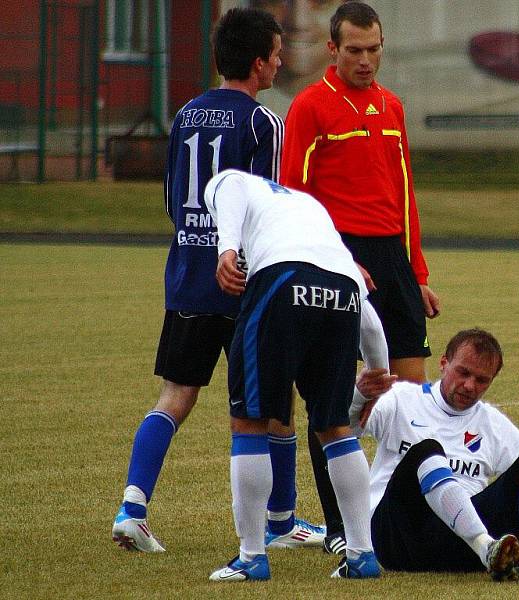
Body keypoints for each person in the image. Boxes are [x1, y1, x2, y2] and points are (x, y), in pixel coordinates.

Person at [112, 7, 323, 553]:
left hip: (187, 279)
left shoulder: (185, 114)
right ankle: (280, 521)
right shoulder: (261, 123)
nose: (280, 62)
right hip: (243, 285)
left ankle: (132, 507)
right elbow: (265, 208)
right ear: (258, 63)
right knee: (274, 401)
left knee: (175, 396)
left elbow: (171, 203)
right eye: (276, 54)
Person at [280, 0, 441, 551]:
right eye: (355, 50)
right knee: (336, 398)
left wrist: (416, 272)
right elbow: (294, 199)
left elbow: (405, 195)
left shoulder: (391, 106)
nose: (366, 60)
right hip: (338, 259)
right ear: (333, 49)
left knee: (412, 401)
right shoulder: (310, 107)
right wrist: (324, 263)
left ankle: (404, 516)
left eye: (374, 50)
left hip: (392, 263)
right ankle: (338, 527)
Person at [204, 169, 391, 581]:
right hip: (342, 292)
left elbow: (229, 187)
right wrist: (380, 374)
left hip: (282, 280)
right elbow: (369, 318)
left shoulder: (231, 182)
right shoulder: (311, 208)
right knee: (335, 427)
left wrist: (226, 248)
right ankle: (362, 554)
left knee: (249, 421)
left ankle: (252, 556)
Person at [351, 328, 519, 582]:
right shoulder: (401, 399)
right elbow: (348, 429)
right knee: (426, 451)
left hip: (459, 546)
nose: (469, 386)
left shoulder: (493, 424)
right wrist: (360, 395)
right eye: (463, 373)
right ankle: (485, 548)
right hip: (399, 539)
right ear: (444, 363)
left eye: (481, 380)